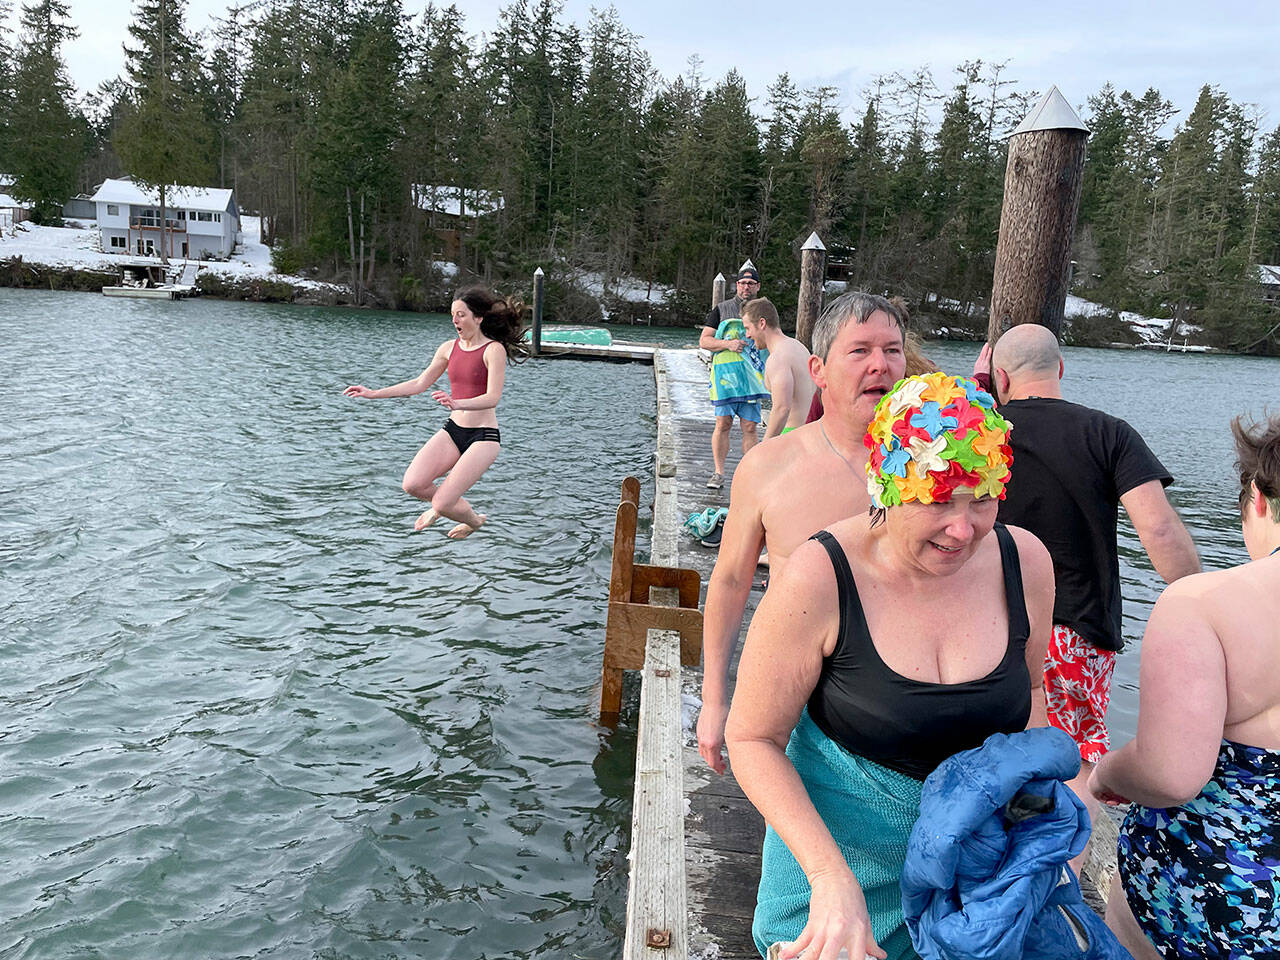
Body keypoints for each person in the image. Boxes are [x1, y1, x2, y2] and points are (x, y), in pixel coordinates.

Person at [726, 373, 1054, 960]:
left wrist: (1040, 834)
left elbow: (1030, 692)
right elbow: (752, 738)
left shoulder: (1024, 561)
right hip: (836, 876)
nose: (964, 528)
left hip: (973, 875)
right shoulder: (817, 576)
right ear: (887, 486)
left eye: (982, 498)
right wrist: (830, 882)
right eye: (936, 499)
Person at [986, 324, 1200, 868]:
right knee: (1078, 760)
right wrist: (1202, 595)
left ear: (1002, 378)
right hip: (1077, 629)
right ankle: (1061, 883)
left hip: (989, 624)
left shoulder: (985, 432)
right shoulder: (1109, 432)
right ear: (1060, 370)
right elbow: (1158, 532)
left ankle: (993, 874)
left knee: (996, 748)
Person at [1089, 412, 1280, 960]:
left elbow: (1171, 775)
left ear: (1259, 499)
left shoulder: (1204, 602)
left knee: (1131, 916)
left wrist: (1106, 772)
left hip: (1225, 903)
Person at [697, 292, 908, 775]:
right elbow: (730, 582)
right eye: (859, 351)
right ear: (818, 371)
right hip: (793, 696)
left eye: (892, 350)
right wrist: (714, 699)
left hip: (898, 711)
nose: (880, 365)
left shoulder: (935, 470)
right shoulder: (767, 467)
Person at [342, 287, 526, 539]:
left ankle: (473, 521)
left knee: (441, 503)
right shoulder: (448, 348)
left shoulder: (493, 350)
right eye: (453, 315)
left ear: (478, 318)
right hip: (453, 431)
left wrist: (457, 403)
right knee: (413, 484)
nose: (455, 321)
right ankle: (445, 504)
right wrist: (373, 393)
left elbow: (493, 397)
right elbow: (419, 383)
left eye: (461, 315)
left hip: (483, 437)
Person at [700, 266, 770, 489]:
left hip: (752, 379)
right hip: (725, 380)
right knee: (723, 423)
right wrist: (727, 344)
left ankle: (748, 474)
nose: (746, 287)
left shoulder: (765, 311)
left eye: (750, 283)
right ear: (736, 285)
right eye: (742, 283)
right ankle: (718, 473)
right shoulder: (721, 310)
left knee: (750, 426)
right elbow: (704, 341)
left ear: (757, 286)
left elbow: (774, 339)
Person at [741, 297, 815, 440]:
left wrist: (765, 446)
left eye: (748, 328)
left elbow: (782, 408)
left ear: (762, 323)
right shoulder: (799, 347)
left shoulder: (777, 358)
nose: (747, 335)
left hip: (790, 436)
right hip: (809, 433)